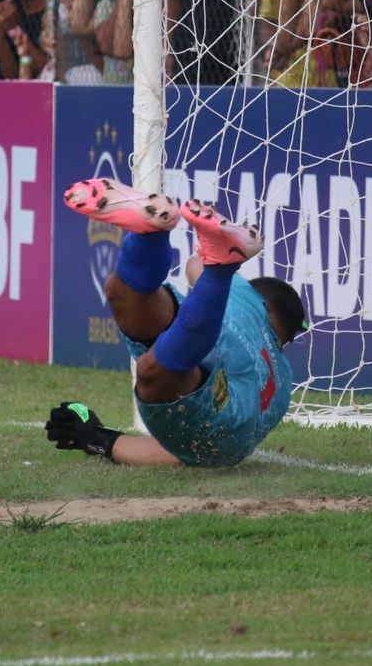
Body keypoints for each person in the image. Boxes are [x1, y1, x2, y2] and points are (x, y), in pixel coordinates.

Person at [46, 179, 305, 467]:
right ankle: (220, 268)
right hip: (229, 408)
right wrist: (96, 438)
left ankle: (149, 237)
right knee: (155, 369)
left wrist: (209, 262)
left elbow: (195, 266)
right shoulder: (282, 383)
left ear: (260, 298)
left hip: (211, 332)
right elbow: (177, 451)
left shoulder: (241, 293)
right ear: (286, 339)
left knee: (126, 294)